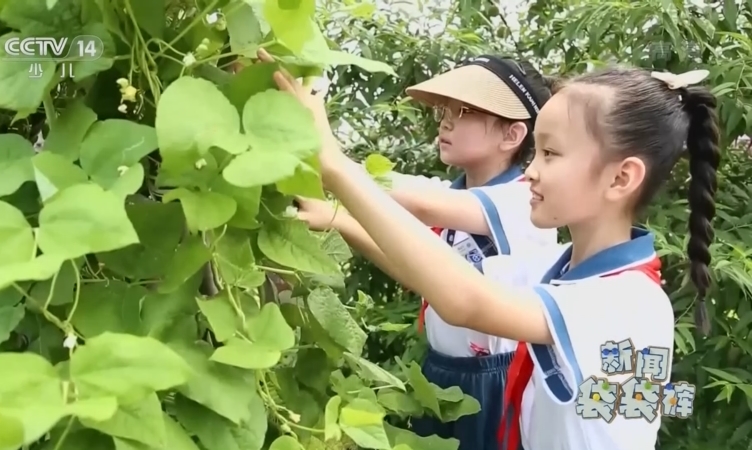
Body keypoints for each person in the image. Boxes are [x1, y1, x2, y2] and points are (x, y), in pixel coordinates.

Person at [267, 50, 718, 450]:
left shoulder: (624, 301)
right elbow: (437, 277)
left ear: (621, 178)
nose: (533, 173)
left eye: (551, 154)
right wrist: (334, 206)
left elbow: (465, 301)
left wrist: (333, 163)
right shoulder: (571, 278)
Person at [296, 55, 559, 450]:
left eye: (465, 111)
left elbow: (413, 200)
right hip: (442, 368)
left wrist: (325, 146)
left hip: (495, 380)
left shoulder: (523, 200)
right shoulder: (455, 197)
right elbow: (422, 275)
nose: (446, 121)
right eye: (445, 110)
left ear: (512, 135)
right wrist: (338, 219)